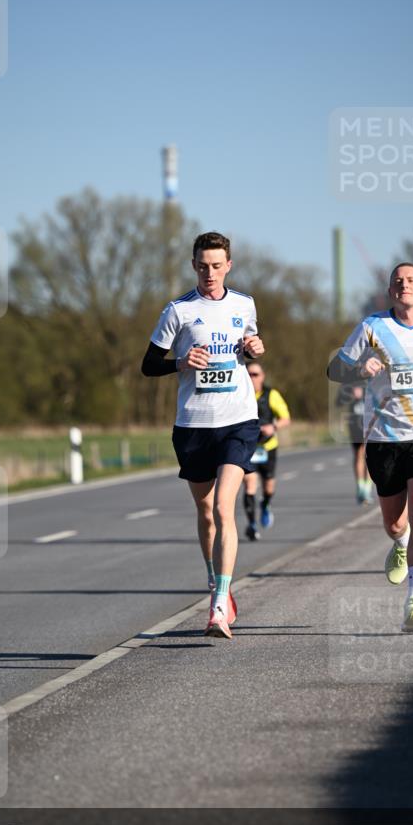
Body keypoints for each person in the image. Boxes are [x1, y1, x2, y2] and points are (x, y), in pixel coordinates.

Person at [141, 231, 265, 639]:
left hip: (238, 420)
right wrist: (180, 361)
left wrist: (254, 347)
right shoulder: (178, 311)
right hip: (194, 424)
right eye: (202, 265)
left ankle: (218, 607)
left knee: (225, 509)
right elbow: (148, 365)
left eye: (216, 265)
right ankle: (215, 581)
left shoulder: (244, 304)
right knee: (207, 512)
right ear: (193, 265)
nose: (209, 273)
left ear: (229, 265)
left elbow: (248, 344)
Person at [327, 263, 413, 633]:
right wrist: (359, 370)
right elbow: (334, 370)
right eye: (397, 281)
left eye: (411, 280)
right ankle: (399, 543)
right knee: (394, 521)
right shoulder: (371, 327)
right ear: (391, 292)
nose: (404, 285)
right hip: (384, 436)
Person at [242, 362, 291, 540]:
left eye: (255, 374)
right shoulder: (238, 394)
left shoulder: (272, 395)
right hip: (246, 447)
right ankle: (252, 525)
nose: (252, 378)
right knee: (249, 484)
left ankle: (265, 504)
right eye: (249, 374)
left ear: (262, 376)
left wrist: (273, 426)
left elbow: (286, 418)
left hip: (267, 446)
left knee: (268, 484)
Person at [336, 381, 373, 504]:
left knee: (369, 457)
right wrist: (350, 396)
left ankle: (367, 488)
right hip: (355, 425)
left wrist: (365, 394)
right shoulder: (347, 382)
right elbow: (338, 402)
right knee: (358, 454)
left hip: (370, 423)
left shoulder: (373, 377)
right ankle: (360, 487)